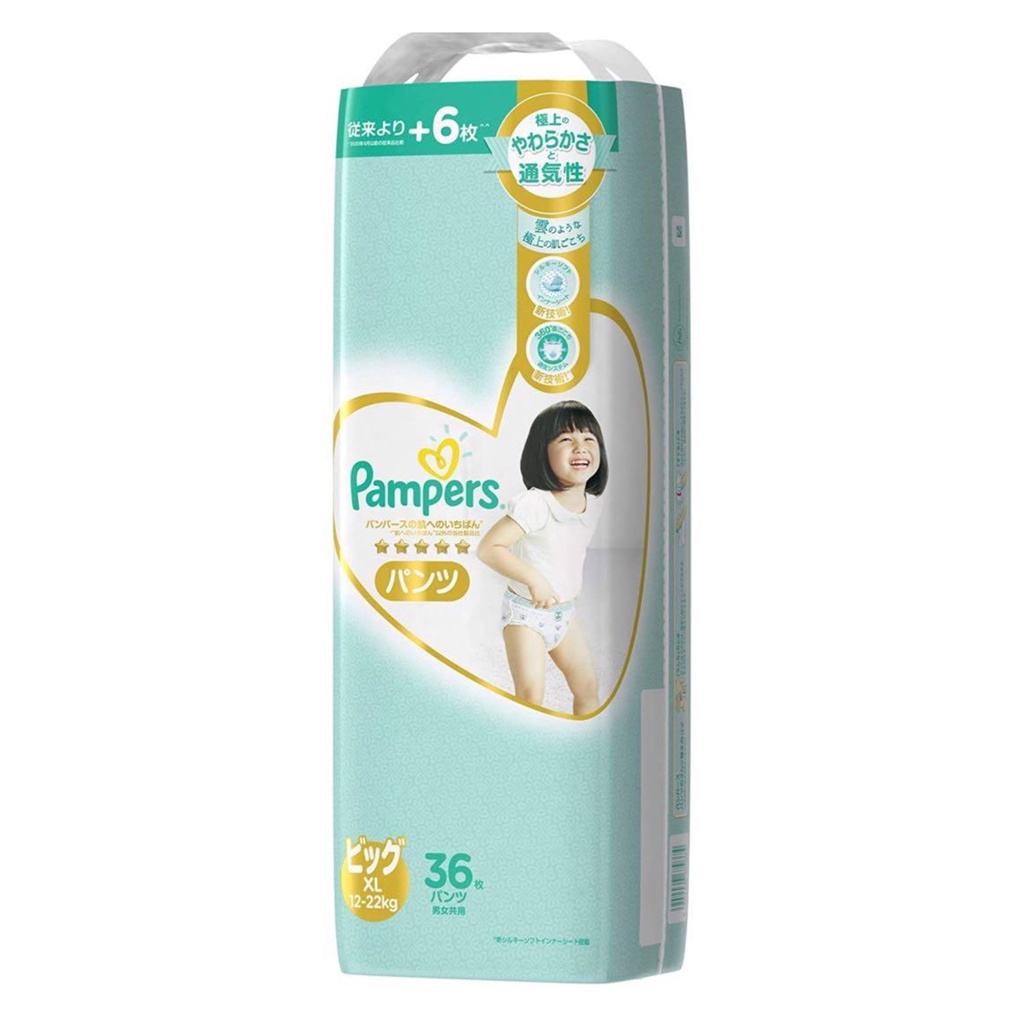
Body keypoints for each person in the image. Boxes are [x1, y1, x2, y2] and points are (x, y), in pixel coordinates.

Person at [477, 400, 608, 715]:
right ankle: (523, 744)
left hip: (564, 615)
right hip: (526, 615)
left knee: (588, 688)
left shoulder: (593, 504)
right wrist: (534, 579)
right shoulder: (535, 504)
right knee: (531, 695)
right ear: (542, 453)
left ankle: (582, 738)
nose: (580, 447)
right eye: (566, 439)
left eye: (589, 439)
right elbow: (489, 548)